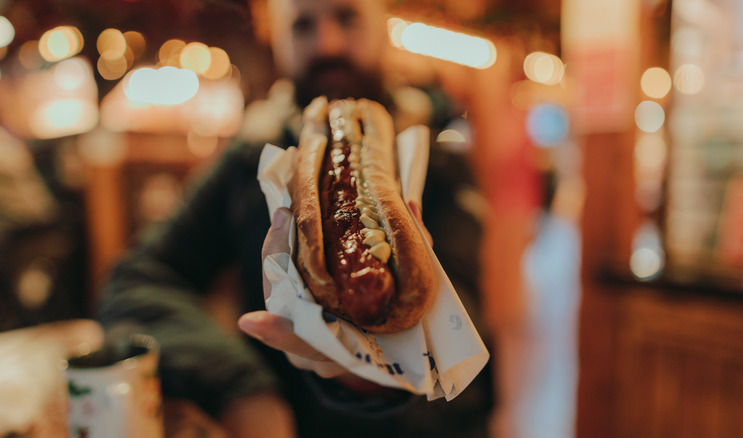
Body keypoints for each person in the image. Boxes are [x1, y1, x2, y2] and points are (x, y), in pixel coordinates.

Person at [98, 0, 489, 436]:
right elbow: (134, 281)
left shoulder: (443, 163)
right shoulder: (248, 159)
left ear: (382, 26)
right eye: (303, 25)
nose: (327, 43)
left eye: (347, 17)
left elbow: (466, 368)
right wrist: (242, 386)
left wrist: (373, 382)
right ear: (276, 38)